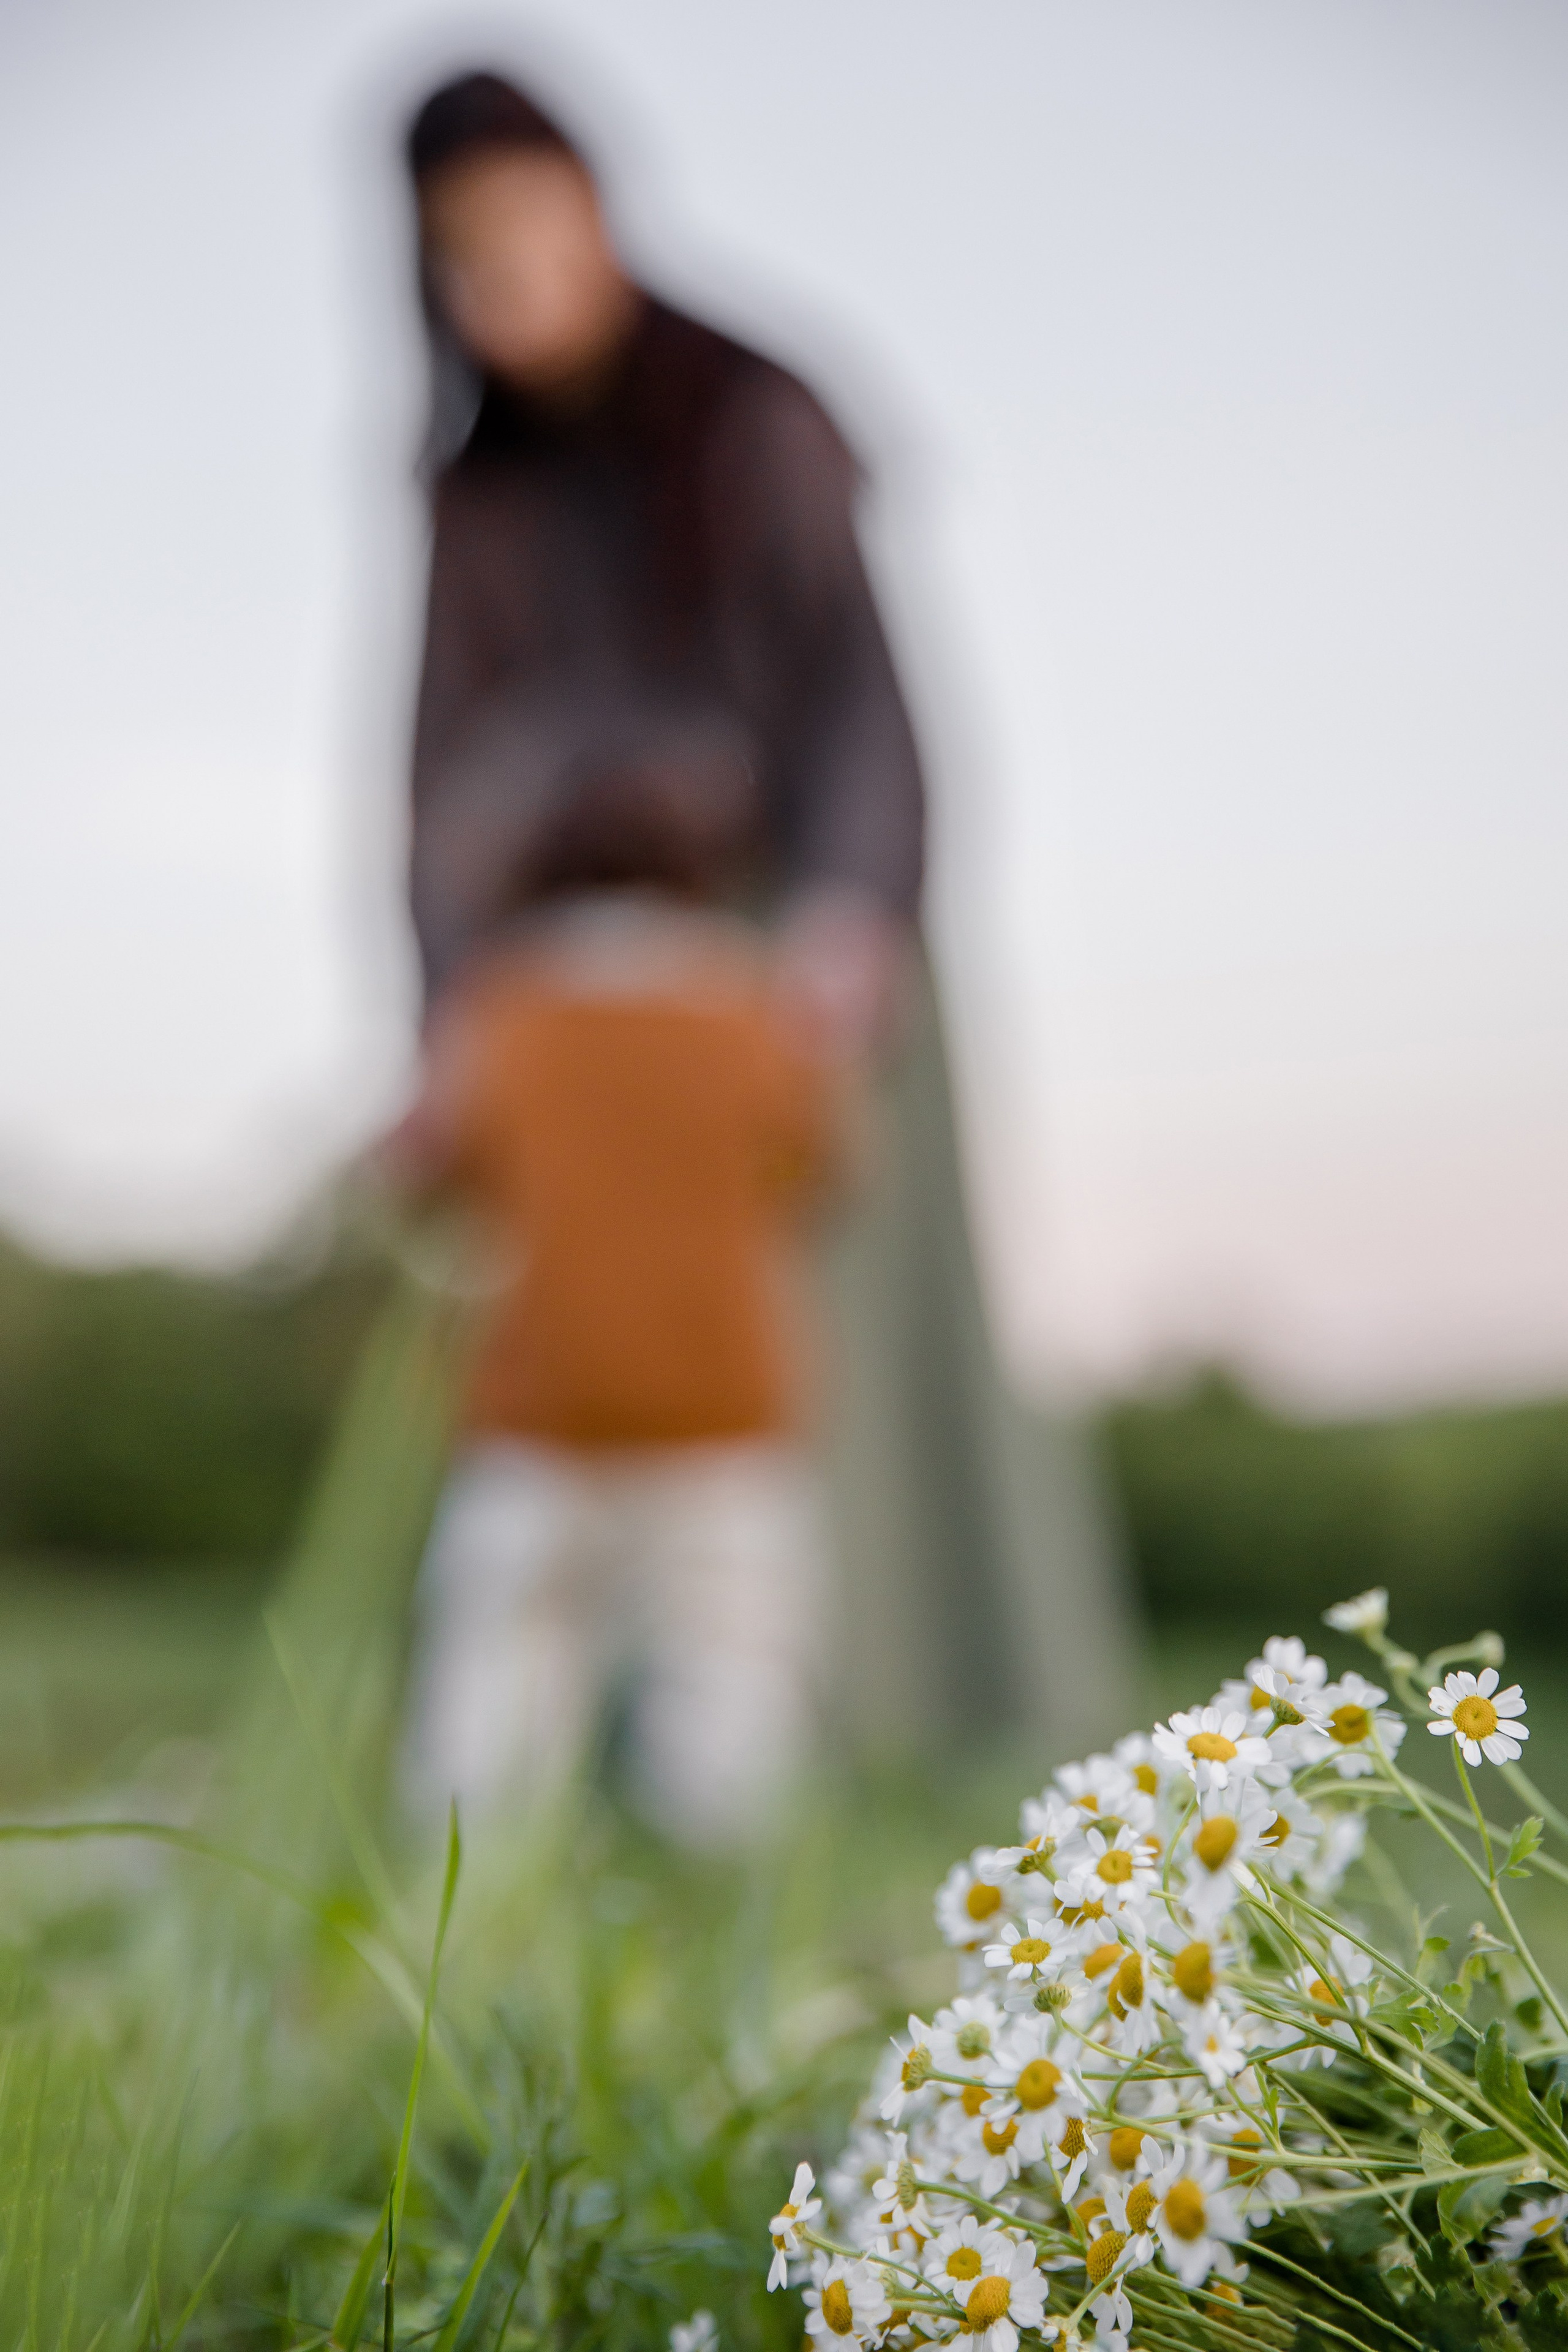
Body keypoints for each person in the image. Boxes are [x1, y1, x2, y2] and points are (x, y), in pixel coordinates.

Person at [398, 69, 1132, 1769]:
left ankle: (893, 1728)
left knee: (826, 1343)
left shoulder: (759, 409)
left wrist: (849, 918)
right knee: (565, 1359)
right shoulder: (472, 490)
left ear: (594, 202)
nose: (497, 278)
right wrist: (452, 1006)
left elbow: (866, 699)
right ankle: (566, 1768)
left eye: (524, 224)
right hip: (560, 981)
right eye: (457, 252)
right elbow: (429, 771)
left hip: (794, 925)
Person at [391, 797, 840, 1842]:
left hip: (541, 1394)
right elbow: (825, 1166)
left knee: (507, 1646)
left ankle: (475, 1860)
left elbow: (430, 1164)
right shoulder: (753, 1011)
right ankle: (720, 1858)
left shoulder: (502, 1010)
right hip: (720, 1392)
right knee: (732, 1652)